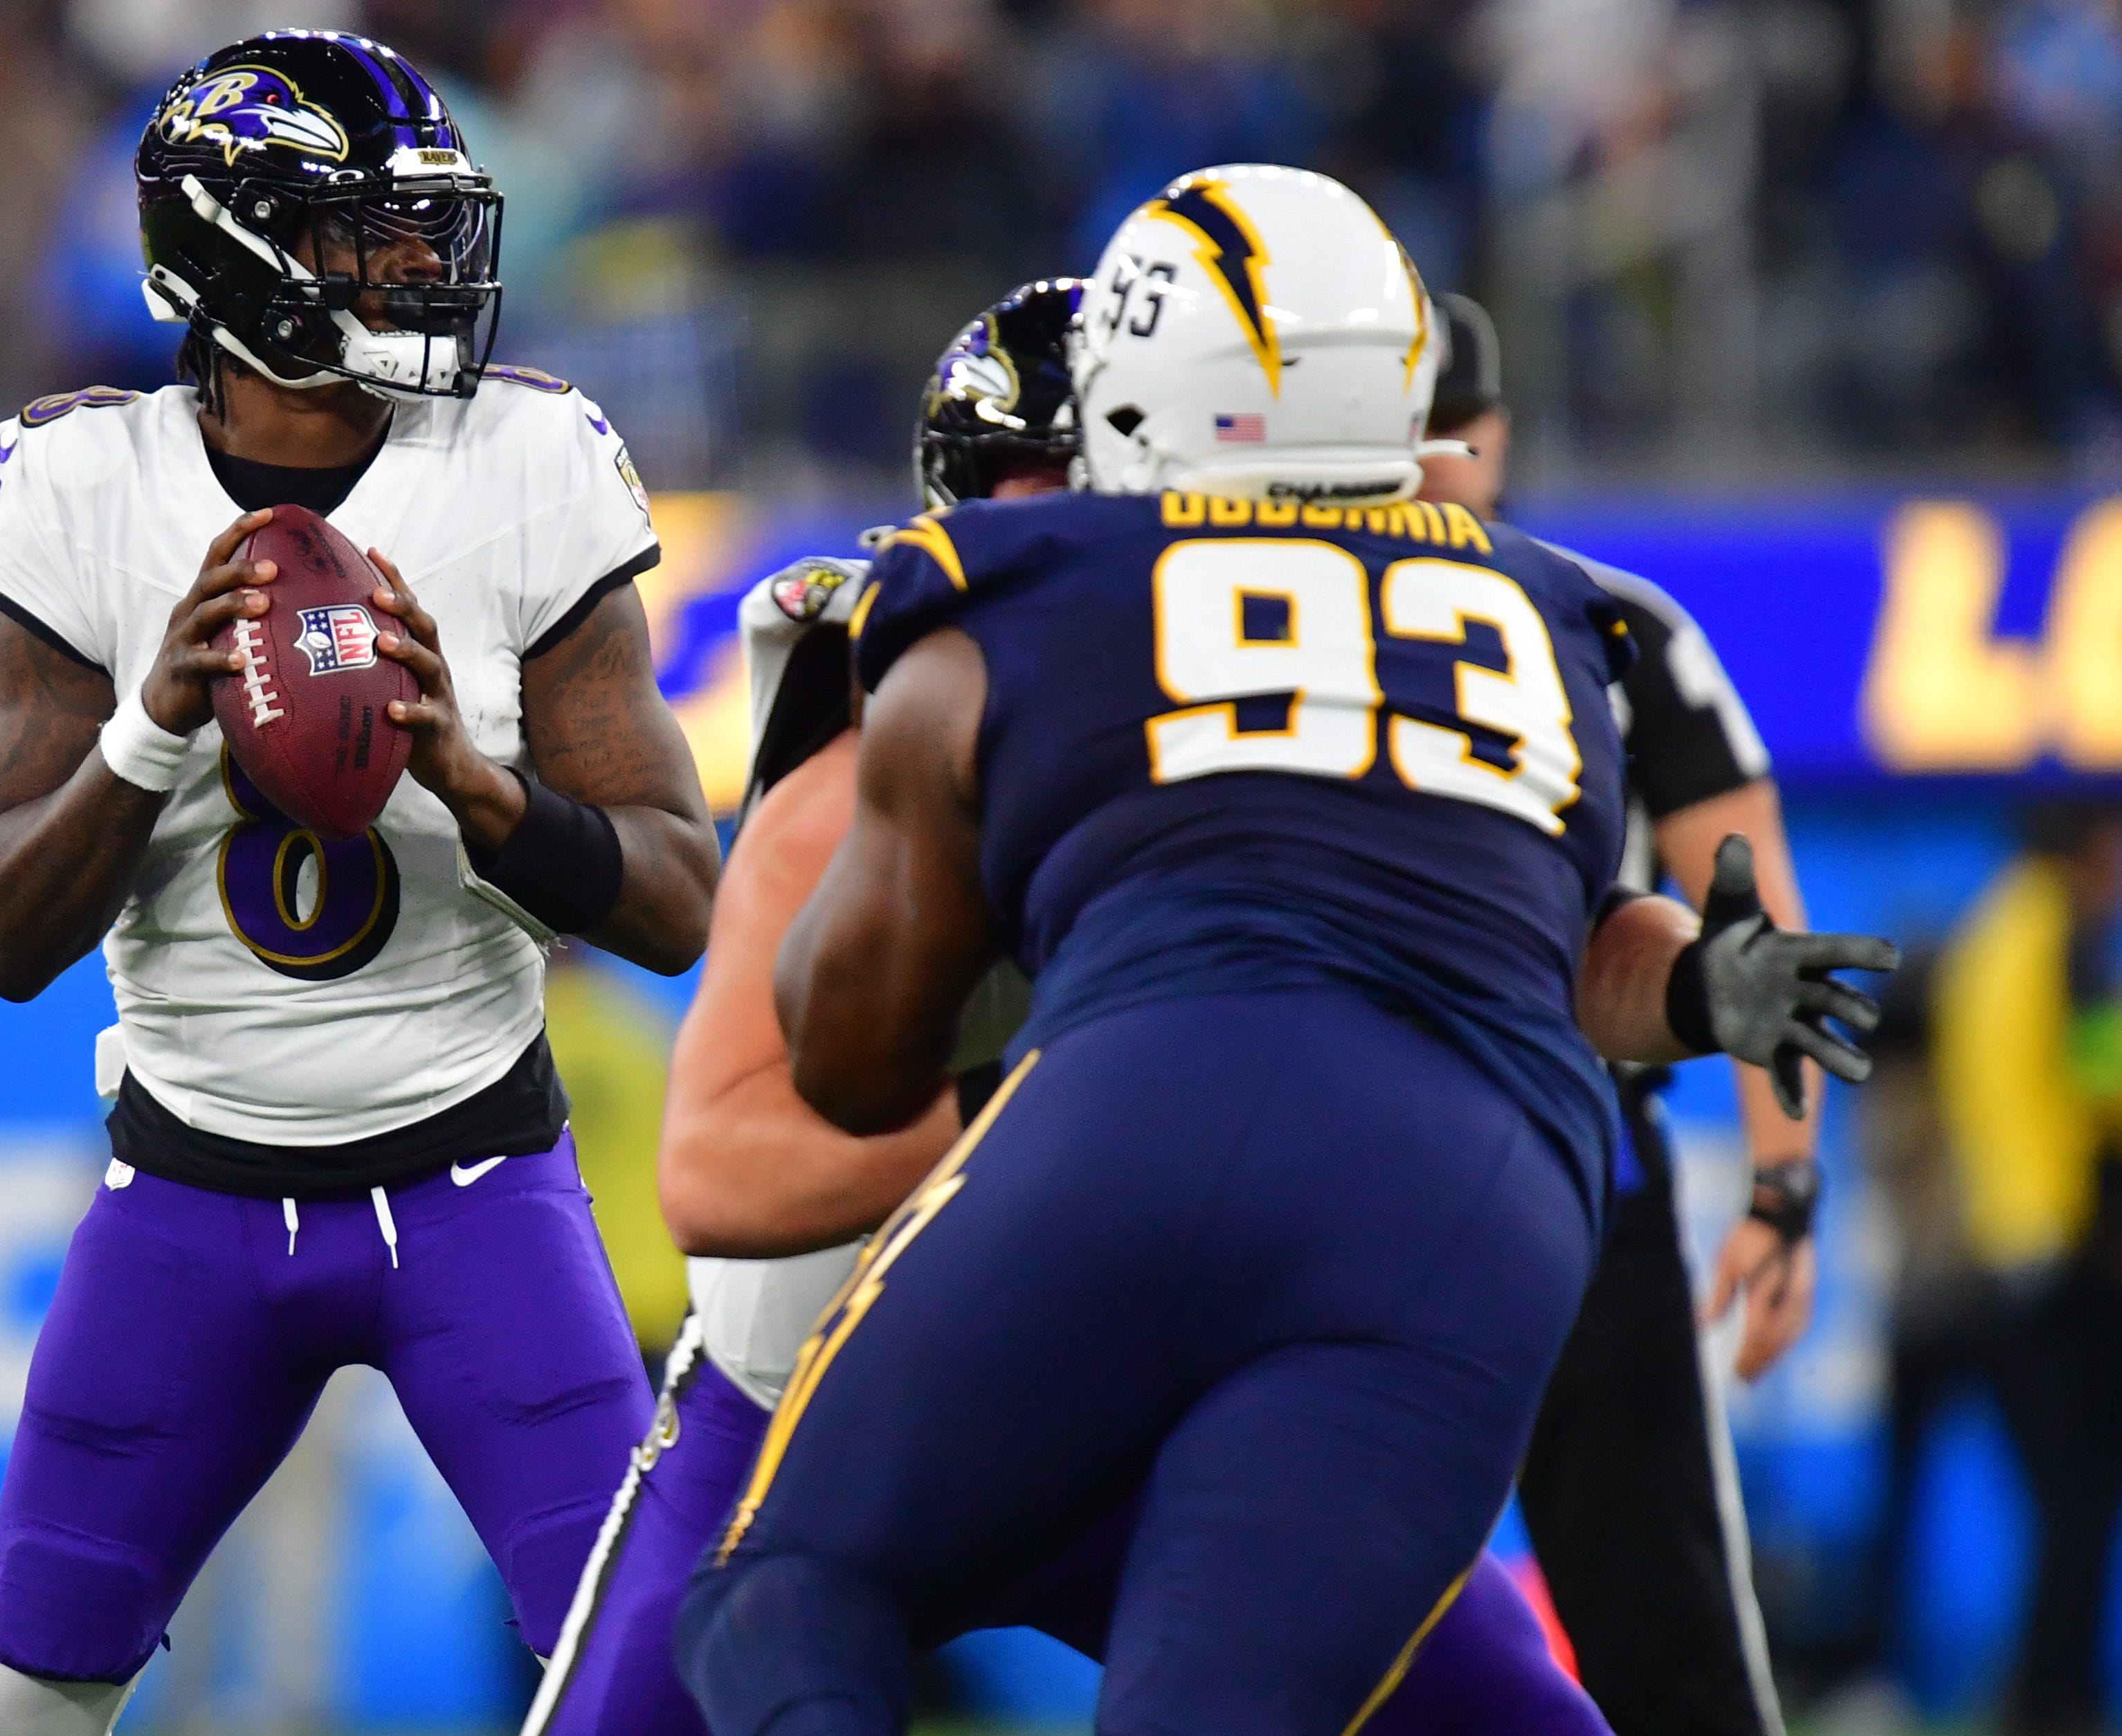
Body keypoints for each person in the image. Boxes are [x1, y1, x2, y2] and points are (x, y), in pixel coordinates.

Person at [675, 164, 1894, 1735]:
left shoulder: (1010, 590)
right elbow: (1564, 938)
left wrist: (894, 849)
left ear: (1130, 401)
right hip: (1487, 1195)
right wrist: (1689, 989)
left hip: (1155, 1107)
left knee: (789, 1591)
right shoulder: (1554, 611)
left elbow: (850, 1069)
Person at [527, 280, 1611, 1736]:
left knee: (1511, 1713)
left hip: (1144, 1407)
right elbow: (715, 1172)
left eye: (1097, 495)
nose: (1061, 532)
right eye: (1032, 496)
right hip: (814, 1401)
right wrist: (1067, 1115)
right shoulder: (880, 747)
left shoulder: (1294, 748)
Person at [0, 32, 720, 1736]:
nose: (419, 271)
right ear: (232, 262)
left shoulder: (526, 464)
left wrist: (481, 787)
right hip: (188, 1192)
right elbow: (0, 931)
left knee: (646, 1683)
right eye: (363, 236)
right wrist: (154, 732)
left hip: (474, 1181)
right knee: (20, 1705)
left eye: (421, 232)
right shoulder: (85, 482)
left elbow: (679, 903)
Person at [1416, 291, 1822, 1736]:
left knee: (1667, 1646)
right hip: (1364, 1156)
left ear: (1501, 436)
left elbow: (1752, 928)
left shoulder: (1610, 626)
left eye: (1450, 435)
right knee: (1320, 1635)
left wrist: (1783, 1182)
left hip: (1576, 1148)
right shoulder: (1265, 619)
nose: (1429, 469)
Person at [1927, 799, 2122, 1734]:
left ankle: (2046, 1694)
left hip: (2005, 1249)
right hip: (2059, 1256)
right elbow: (2090, 1079)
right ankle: (2055, 1700)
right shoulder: (2056, 934)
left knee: (2062, 1504)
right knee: (2077, 1502)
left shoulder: (1990, 931)